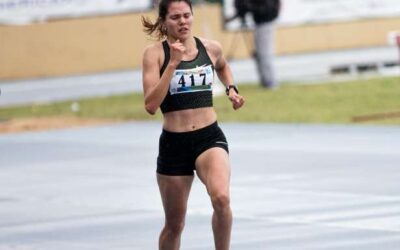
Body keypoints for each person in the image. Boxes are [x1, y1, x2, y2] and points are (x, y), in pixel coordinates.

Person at [141, 1, 245, 249]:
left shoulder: (210, 48)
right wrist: (173, 64)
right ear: (164, 22)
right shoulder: (154, 55)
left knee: (221, 198)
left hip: (208, 138)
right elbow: (151, 105)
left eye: (187, 15)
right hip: (174, 144)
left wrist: (231, 89)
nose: (183, 22)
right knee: (175, 225)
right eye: (176, 17)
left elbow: (222, 65)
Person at [229, 0, 281, 89]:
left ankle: (270, 82)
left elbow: (265, 9)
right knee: (260, 54)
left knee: (264, 54)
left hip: (265, 21)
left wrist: (249, 6)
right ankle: (266, 81)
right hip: (260, 22)